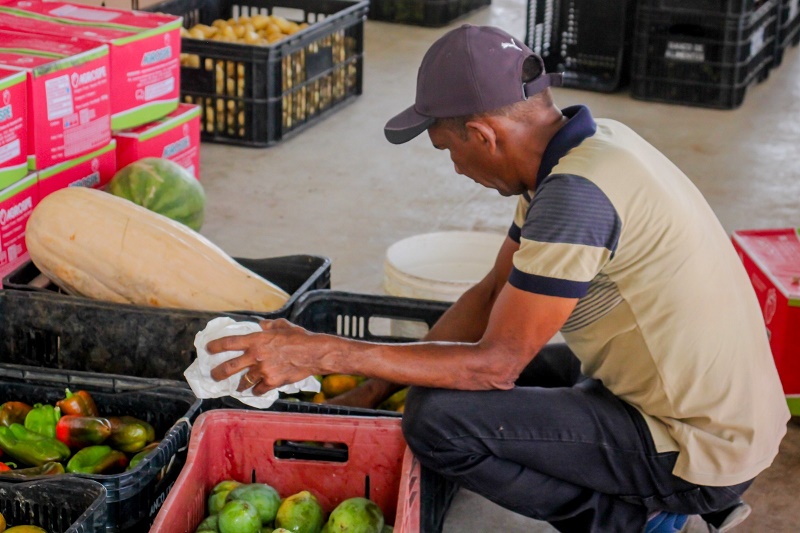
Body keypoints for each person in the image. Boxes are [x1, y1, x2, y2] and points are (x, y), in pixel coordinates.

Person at [207, 24, 790, 533]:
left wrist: (325, 352)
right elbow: (490, 294)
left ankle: (644, 522)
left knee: (438, 422)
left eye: (447, 148)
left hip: (702, 449)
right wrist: (371, 390)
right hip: (692, 404)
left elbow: (495, 365)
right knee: (447, 385)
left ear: (483, 135)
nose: (457, 168)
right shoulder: (585, 151)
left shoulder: (575, 197)